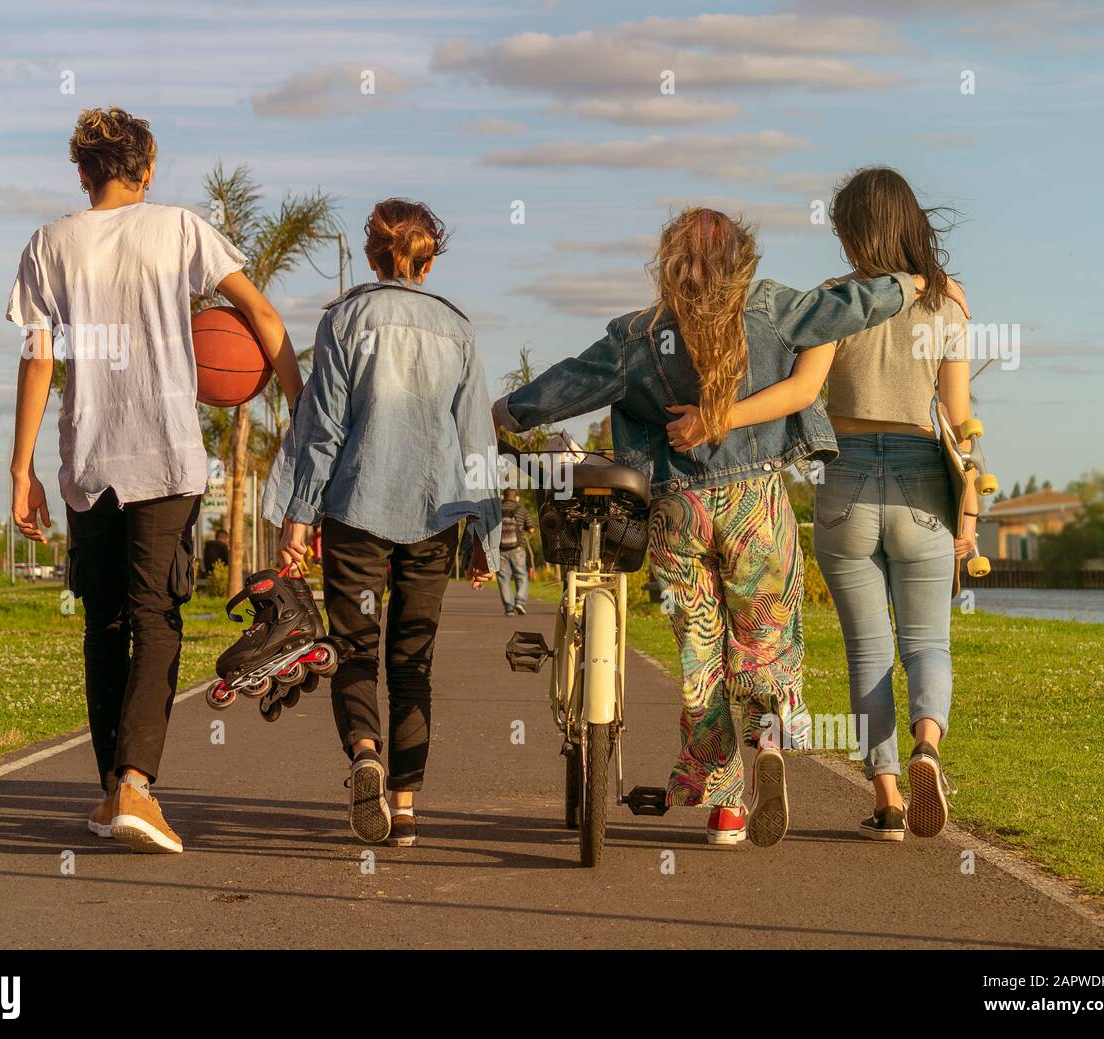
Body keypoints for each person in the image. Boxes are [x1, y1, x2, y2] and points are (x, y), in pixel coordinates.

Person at [494, 207, 967, 848]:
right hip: (757, 507)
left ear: (669, 264)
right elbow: (850, 307)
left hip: (676, 511)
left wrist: (504, 410)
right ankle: (769, 736)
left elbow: (565, 386)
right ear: (743, 262)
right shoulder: (773, 309)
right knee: (765, 637)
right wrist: (907, 284)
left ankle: (725, 809)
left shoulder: (636, 336)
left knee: (701, 655)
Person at [9, 106, 302, 853]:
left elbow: (39, 358)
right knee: (154, 617)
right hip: (166, 458)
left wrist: (22, 469)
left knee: (104, 624)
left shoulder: (49, 242)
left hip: (88, 460)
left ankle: (116, 790)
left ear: (82, 172)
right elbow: (261, 316)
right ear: (145, 171)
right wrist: (300, 410)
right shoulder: (178, 228)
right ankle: (135, 786)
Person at [668, 169, 972, 841]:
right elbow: (959, 420)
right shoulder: (949, 300)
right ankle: (927, 745)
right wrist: (970, 518)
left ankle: (888, 795)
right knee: (927, 642)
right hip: (924, 481)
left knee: (869, 647)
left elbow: (803, 393)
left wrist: (718, 417)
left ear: (856, 232)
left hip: (847, 483)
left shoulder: (836, 300)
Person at [273, 198, 500, 848]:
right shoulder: (458, 327)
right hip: (436, 514)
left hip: (355, 509)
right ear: (429, 261)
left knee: (354, 649)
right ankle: (402, 807)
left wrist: (297, 516)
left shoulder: (346, 318)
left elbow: (323, 432)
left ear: (372, 255)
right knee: (412, 659)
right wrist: (483, 529)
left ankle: (364, 753)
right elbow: (475, 439)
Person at [497, 488, 536, 616]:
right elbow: (531, 529)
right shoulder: (522, 510)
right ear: (517, 497)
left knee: (503, 578)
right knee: (521, 575)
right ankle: (520, 602)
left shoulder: (497, 510)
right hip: (518, 548)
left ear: (503, 497)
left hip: (501, 549)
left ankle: (509, 608)